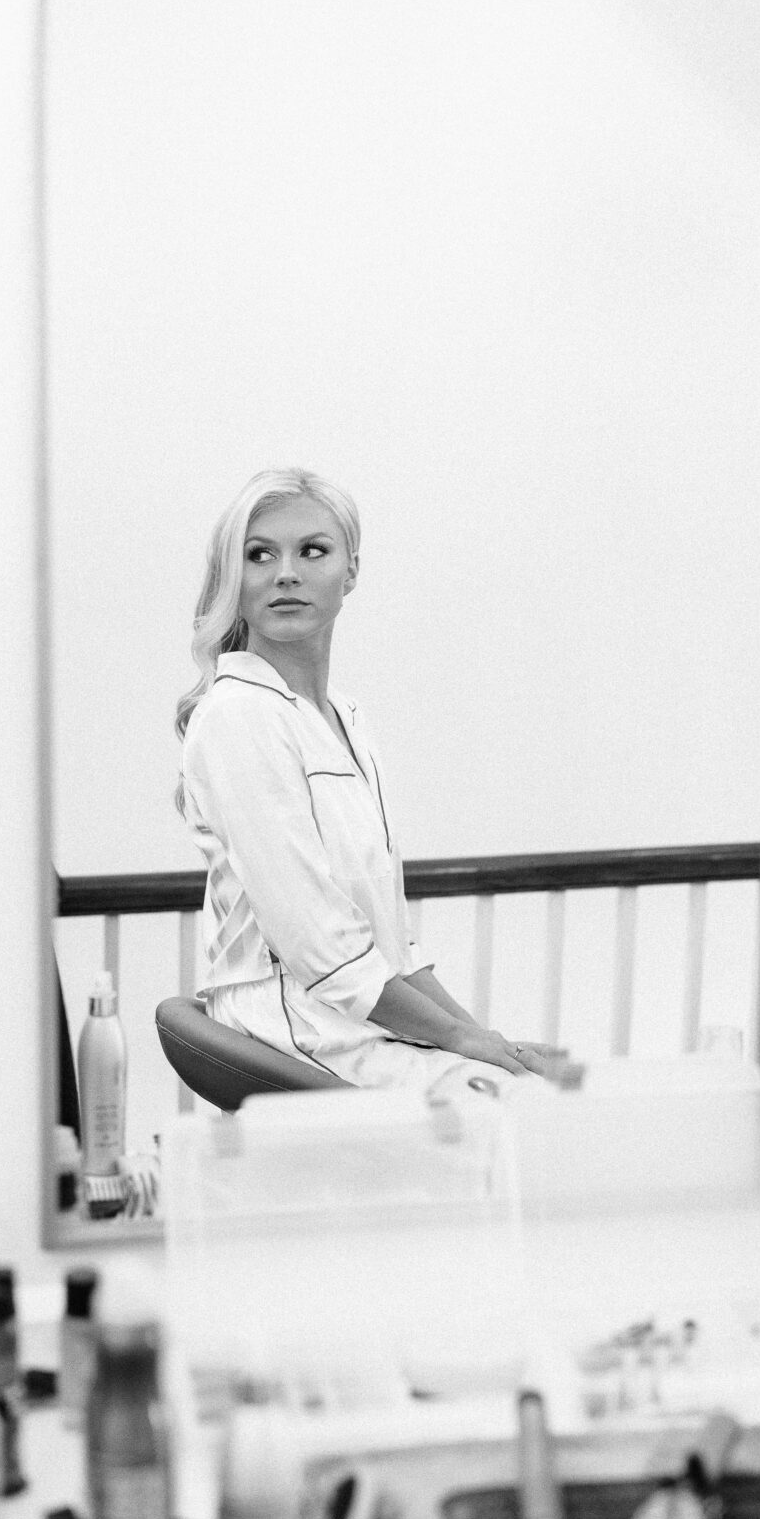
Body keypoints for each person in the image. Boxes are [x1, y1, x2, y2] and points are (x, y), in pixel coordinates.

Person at [176, 467, 568, 1099]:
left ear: (350, 571)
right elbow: (319, 945)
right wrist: (462, 1042)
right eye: (259, 555)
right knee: (533, 1106)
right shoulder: (238, 715)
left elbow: (391, 950)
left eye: (313, 550)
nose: (285, 573)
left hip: (358, 1020)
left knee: (562, 1081)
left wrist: (487, 1041)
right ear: (233, 579)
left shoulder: (345, 719)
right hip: (292, 1029)